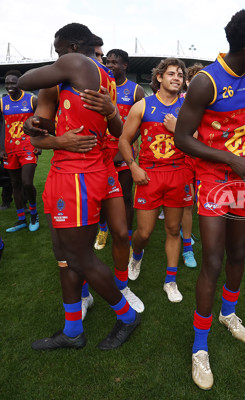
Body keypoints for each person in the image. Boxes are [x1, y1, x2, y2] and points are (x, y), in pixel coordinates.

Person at [18, 22, 140, 350]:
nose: (57, 60)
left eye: (58, 52)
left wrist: (49, 70)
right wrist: (36, 126)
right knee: (63, 255)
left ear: (71, 47)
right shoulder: (76, 82)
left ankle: (127, 316)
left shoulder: (75, 65)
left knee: (79, 256)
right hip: (67, 171)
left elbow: (22, 80)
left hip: (80, 175)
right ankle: (73, 330)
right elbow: (40, 133)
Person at [174, 8, 245, 390]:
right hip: (215, 179)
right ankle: (200, 348)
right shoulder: (205, 82)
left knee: (239, 254)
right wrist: (230, 158)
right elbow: (183, 138)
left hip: (244, 180)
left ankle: (228, 314)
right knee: (212, 261)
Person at [119, 57, 192, 303]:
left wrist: (178, 129)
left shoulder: (188, 108)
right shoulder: (142, 106)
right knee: (144, 232)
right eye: (171, 73)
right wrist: (133, 166)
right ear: (159, 77)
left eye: (180, 75)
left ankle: (170, 281)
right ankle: (136, 254)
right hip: (148, 175)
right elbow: (123, 140)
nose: (177, 78)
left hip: (178, 173)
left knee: (173, 229)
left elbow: (198, 142)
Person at [95, 49, 145, 252]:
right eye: (108, 62)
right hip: (100, 152)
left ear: (125, 65)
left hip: (124, 153)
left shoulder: (135, 90)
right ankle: (103, 229)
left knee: (125, 195)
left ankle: (129, 235)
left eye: (115, 62)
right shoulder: (100, 87)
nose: (110, 65)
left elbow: (141, 124)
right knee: (100, 194)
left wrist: (123, 147)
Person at [1, 70, 40, 233]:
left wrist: (38, 142)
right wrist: (1, 148)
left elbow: (42, 120)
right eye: (7, 83)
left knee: (27, 183)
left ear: (20, 83)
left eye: (13, 83)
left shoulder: (32, 99)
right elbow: (1, 125)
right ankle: (21, 219)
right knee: (15, 183)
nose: (10, 86)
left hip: (28, 146)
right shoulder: (3, 102)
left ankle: (34, 214)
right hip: (10, 148)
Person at [180, 62, 204, 269]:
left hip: (203, 159)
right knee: (188, 203)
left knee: (196, 201)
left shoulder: (209, 102)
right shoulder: (180, 101)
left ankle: (186, 234)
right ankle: (187, 246)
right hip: (185, 159)